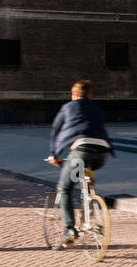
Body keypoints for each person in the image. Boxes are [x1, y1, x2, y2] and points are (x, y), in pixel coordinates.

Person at [47, 79, 112, 246]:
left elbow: (56, 129)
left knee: (65, 187)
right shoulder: (96, 108)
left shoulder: (68, 107)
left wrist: (54, 155)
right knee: (86, 174)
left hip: (81, 152)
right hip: (102, 154)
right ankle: (90, 205)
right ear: (89, 95)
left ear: (73, 95)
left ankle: (70, 229)